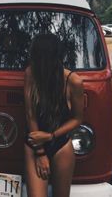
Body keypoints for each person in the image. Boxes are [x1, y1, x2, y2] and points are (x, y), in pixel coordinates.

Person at [24, 34, 84, 197]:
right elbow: (30, 114)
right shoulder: (30, 73)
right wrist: (40, 153)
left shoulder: (73, 81)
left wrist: (51, 136)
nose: (41, 64)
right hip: (35, 144)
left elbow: (77, 119)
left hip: (61, 144)